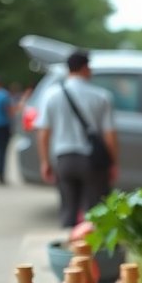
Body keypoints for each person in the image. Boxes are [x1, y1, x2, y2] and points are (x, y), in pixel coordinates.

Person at [35, 50, 117, 227]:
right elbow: (109, 134)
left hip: (64, 160)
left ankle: (67, 250)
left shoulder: (51, 95)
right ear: (85, 68)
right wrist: (112, 162)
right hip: (92, 161)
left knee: (68, 210)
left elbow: (43, 133)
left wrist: (44, 162)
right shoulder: (101, 96)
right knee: (95, 213)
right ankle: (92, 251)